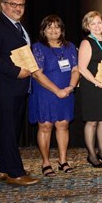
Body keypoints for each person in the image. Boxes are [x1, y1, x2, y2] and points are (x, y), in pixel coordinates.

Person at [0, 0, 39, 186]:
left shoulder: (18, 27)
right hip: (3, 89)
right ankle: (15, 173)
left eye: (21, 5)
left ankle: (4, 169)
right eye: (13, 4)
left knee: (10, 130)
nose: (18, 8)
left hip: (18, 88)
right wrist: (15, 71)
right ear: (3, 5)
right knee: (8, 130)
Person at [29, 15, 79, 176]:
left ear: (62, 29)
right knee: (45, 126)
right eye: (49, 27)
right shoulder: (37, 47)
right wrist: (57, 90)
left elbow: (75, 69)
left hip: (66, 92)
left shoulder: (70, 46)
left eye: (57, 27)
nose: (53, 30)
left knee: (63, 125)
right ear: (43, 30)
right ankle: (46, 162)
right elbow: (37, 74)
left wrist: (70, 87)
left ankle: (62, 161)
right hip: (45, 93)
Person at [78, 11, 102, 168]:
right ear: (87, 26)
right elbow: (82, 68)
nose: (96, 26)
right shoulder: (86, 43)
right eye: (92, 23)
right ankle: (92, 155)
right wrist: (97, 82)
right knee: (92, 122)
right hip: (92, 87)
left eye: (99, 22)